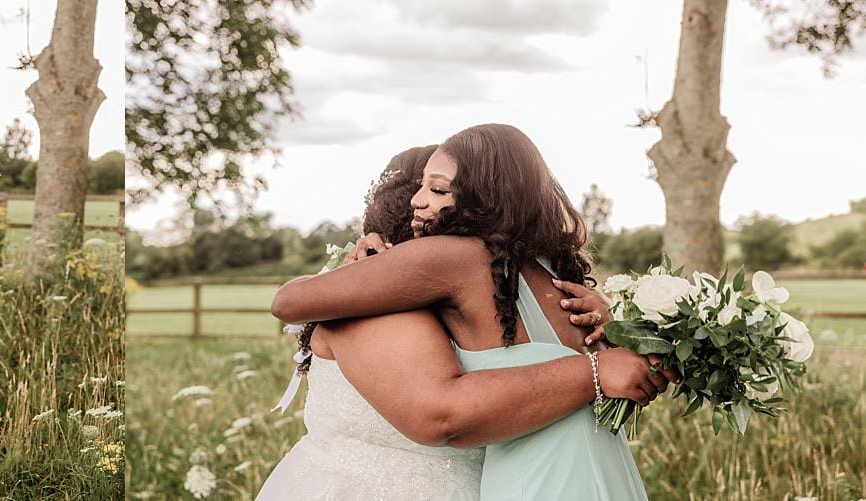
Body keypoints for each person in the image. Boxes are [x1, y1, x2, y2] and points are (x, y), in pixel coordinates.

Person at [264, 125, 664, 500]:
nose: (418, 201)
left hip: (544, 478)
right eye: (421, 187)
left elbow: (287, 302)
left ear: (484, 196)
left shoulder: (478, 266)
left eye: (437, 189)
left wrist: (613, 335)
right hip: (597, 471)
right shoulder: (529, 271)